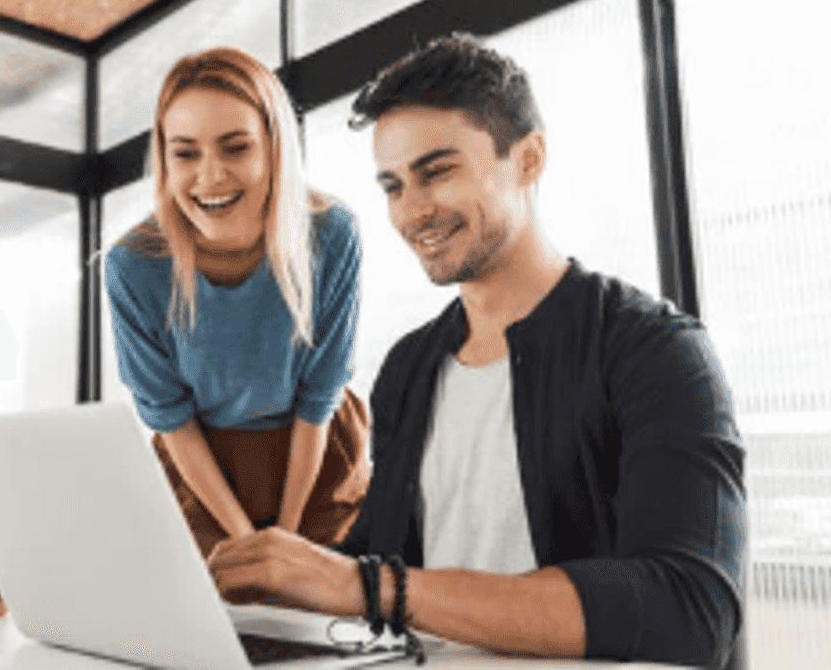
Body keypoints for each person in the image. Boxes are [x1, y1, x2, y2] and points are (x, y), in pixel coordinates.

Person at [208, 33, 746, 669]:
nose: (412, 212)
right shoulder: (410, 366)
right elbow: (377, 559)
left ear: (528, 159)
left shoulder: (655, 351)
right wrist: (270, 577)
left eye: (437, 172)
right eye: (392, 185)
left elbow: (687, 608)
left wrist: (366, 586)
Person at [104, 46, 370, 560]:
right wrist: (248, 541)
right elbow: (171, 419)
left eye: (236, 148)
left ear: (274, 149)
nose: (210, 177)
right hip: (202, 469)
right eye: (185, 153)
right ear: (164, 159)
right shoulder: (133, 267)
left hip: (314, 455)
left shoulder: (333, 234)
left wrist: (287, 537)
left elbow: (320, 398)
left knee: (323, 614)